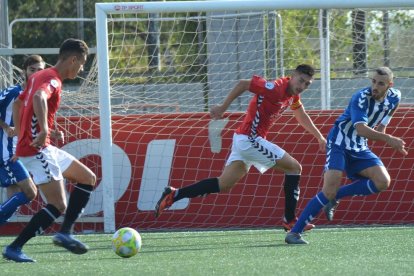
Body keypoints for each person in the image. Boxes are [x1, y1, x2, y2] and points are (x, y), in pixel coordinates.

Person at [155, 64, 326, 231]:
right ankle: (290, 220)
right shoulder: (274, 88)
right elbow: (244, 84)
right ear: (293, 75)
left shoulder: (292, 96)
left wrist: (319, 136)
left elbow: (301, 115)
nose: (302, 86)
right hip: (249, 139)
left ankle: (175, 194)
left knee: (224, 184)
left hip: (243, 139)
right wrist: (223, 107)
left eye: (307, 84)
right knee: (294, 168)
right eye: (301, 81)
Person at [285, 67, 407, 245]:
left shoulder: (395, 95)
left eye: (380, 84)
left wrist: (383, 126)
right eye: (373, 81)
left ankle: (336, 196)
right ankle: (294, 233)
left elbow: (392, 106)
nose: (375, 86)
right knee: (328, 189)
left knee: (382, 181)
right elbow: (361, 129)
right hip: (339, 143)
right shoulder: (361, 97)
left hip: (359, 147)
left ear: (390, 85)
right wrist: (388, 139)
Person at [2, 38, 96, 263]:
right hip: (38, 151)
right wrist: (43, 130)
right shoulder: (52, 80)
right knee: (58, 205)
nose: (81, 69)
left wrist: (23, 135)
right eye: (82, 64)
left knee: (88, 178)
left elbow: (18, 104)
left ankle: (65, 232)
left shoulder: (37, 76)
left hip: (40, 147)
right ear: (73, 59)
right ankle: (15, 247)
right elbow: (38, 97)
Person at [0, 55, 44, 225]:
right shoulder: (13, 92)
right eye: (32, 70)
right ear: (24, 71)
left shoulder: (37, 96)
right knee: (30, 192)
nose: (35, 74)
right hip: (5, 152)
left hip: (14, 152)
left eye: (40, 71)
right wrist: (5, 126)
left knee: (12, 200)